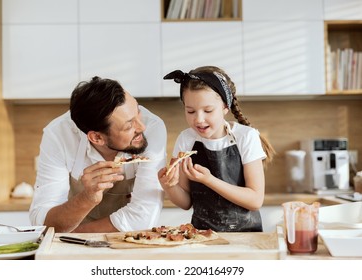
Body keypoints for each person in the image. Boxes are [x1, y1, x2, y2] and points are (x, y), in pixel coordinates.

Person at [29, 76, 167, 233]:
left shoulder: (153, 127)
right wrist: (87, 198)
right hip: (72, 249)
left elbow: (143, 217)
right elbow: (43, 221)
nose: (142, 127)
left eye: (138, 111)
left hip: (127, 243)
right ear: (97, 137)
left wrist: (72, 236)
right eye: (129, 126)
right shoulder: (59, 135)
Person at [158, 66, 275, 232]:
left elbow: (255, 200)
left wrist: (209, 180)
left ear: (225, 107)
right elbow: (186, 202)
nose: (199, 119)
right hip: (201, 237)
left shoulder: (246, 137)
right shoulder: (186, 139)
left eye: (208, 110)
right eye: (190, 111)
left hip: (246, 238)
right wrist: (169, 186)